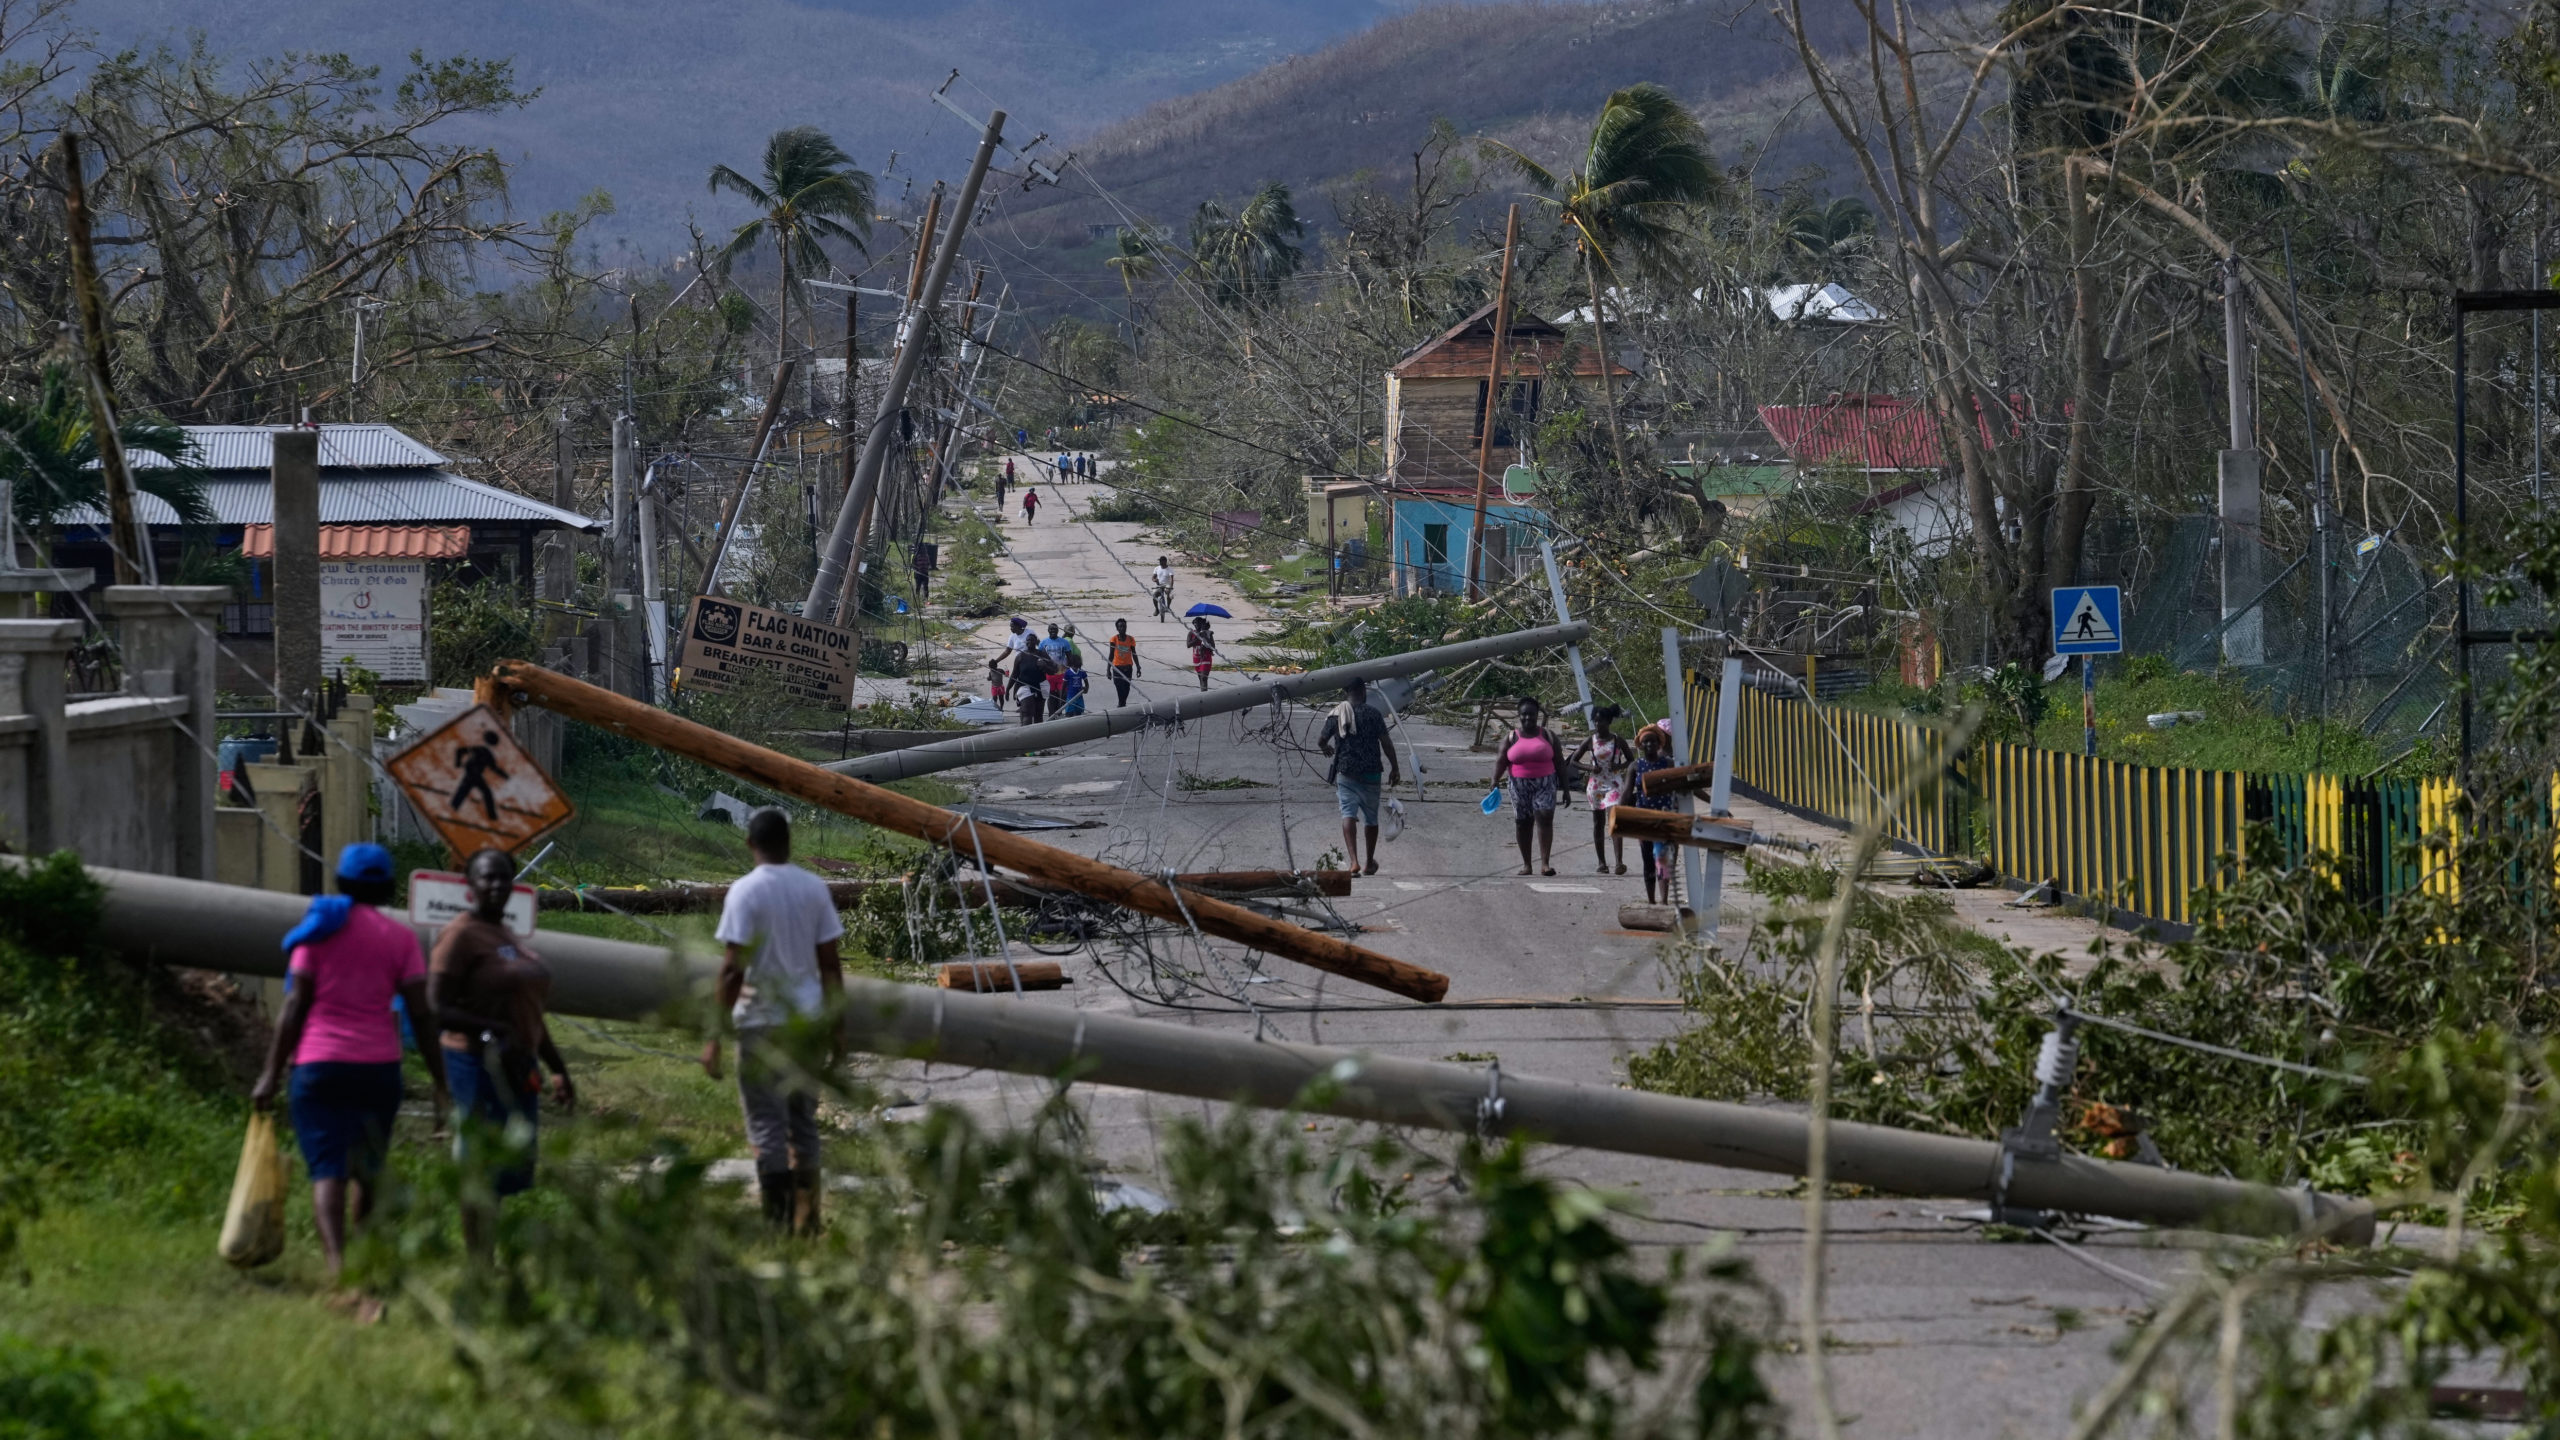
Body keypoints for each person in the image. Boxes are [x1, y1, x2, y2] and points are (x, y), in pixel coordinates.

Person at [250, 843, 447, 1290]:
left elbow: (295, 1005)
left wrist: (269, 1073)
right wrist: (440, 1080)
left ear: (341, 882)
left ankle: (338, 1268)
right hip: (378, 1069)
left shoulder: (318, 931)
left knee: (328, 1171)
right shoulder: (400, 940)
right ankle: (362, 1262)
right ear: (388, 888)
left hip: (319, 1066)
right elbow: (421, 1014)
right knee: (368, 1170)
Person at [701, 808, 845, 1234]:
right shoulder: (814, 888)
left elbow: (732, 970)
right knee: (803, 1123)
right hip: (806, 1023)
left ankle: (778, 1226)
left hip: (760, 1024)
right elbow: (831, 966)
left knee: (767, 1126)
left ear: (750, 844)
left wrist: (714, 1036)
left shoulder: (745, 892)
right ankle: (808, 1220)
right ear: (788, 843)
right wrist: (838, 1029)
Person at [431, 848, 575, 1250]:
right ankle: (479, 1261)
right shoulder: (460, 934)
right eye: (486, 877)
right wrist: (492, 1031)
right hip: (475, 1063)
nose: (495, 885)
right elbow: (437, 1007)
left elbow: (530, 1014)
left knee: (508, 1166)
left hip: (517, 1062)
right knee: (480, 1162)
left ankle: (488, 1251)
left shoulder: (506, 934)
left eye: (502, 877)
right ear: (470, 885)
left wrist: (557, 1067)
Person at [1318, 677, 1403, 876]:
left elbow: (1321, 740)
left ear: (1346, 694)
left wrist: (1326, 748)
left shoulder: (1336, 714)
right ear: (1364, 692)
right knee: (1371, 818)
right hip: (1372, 773)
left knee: (1348, 814)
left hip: (1346, 772)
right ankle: (1369, 863)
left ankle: (1354, 862)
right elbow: (1386, 743)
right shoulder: (1374, 714)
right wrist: (1395, 768)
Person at [1492, 696, 1562, 876]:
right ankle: (1527, 864)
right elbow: (1501, 760)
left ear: (1537, 715)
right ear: (1519, 715)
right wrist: (1495, 780)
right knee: (1523, 822)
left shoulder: (1548, 736)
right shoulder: (1511, 737)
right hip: (1518, 785)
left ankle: (1545, 864)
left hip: (1545, 783)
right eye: (1524, 714)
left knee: (1545, 817)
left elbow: (1560, 762)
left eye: (1531, 714)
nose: (1528, 718)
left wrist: (1567, 789)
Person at [1567, 705, 1635, 874]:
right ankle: (1601, 863)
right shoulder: (1590, 741)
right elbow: (1573, 761)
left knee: (1614, 821)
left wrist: (1619, 766)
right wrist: (1590, 768)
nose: (1598, 724)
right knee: (1598, 823)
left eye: (1601, 721)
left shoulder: (1618, 740)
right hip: (1595, 786)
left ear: (1609, 722)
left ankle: (1619, 862)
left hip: (1614, 785)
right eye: (1595, 721)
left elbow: (1631, 760)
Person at [1626, 724, 1682, 905]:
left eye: (1653, 741)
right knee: (1648, 860)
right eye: (1646, 742)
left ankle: (1664, 901)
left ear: (1659, 743)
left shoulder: (1668, 764)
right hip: (1643, 820)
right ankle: (1651, 901)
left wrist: (1710, 800)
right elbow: (1626, 793)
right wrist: (1617, 815)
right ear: (1640, 745)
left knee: (1662, 859)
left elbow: (1685, 784)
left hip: (1664, 818)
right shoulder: (1635, 766)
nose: (1649, 744)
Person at [1010, 642, 1053, 725]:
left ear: (1035, 641)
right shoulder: (1020, 656)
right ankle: (1025, 731)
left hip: (1041, 687)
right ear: (1026, 642)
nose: (1030, 641)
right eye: (1028, 640)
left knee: (1038, 714)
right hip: (1024, 687)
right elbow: (1015, 674)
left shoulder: (1042, 654)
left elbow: (1053, 670)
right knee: (1026, 713)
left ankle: (1037, 732)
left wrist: (1045, 666)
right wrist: (1008, 688)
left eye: (1032, 640)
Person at [1105, 618, 1141, 705]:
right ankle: (1121, 704)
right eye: (1120, 626)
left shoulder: (1131, 639)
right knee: (1119, 687)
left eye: (1124, 626)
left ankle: (1122, 704)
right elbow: (1111, 655)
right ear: (1117, 628)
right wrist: (1108, 669)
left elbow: (1134, 653)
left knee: (1127, 688)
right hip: (1117, 668)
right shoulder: (1114, 640)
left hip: (1128, 668)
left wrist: (1138, 666)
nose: (1122, 628)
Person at [1187, 617, 1217, 690]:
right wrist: (1197, 638)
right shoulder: (1191, 633)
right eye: (1195, 623)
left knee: (1204, 678)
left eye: (1199, 623)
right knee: (1200, 678)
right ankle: (1203, 693)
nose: (1197, 625)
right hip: (1196, 659)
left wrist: (1205, 637)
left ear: (1202, 624)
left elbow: (1213, 646)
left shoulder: (1208, 633)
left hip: (1206, 658)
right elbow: (1188, 645)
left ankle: (1205, 695)